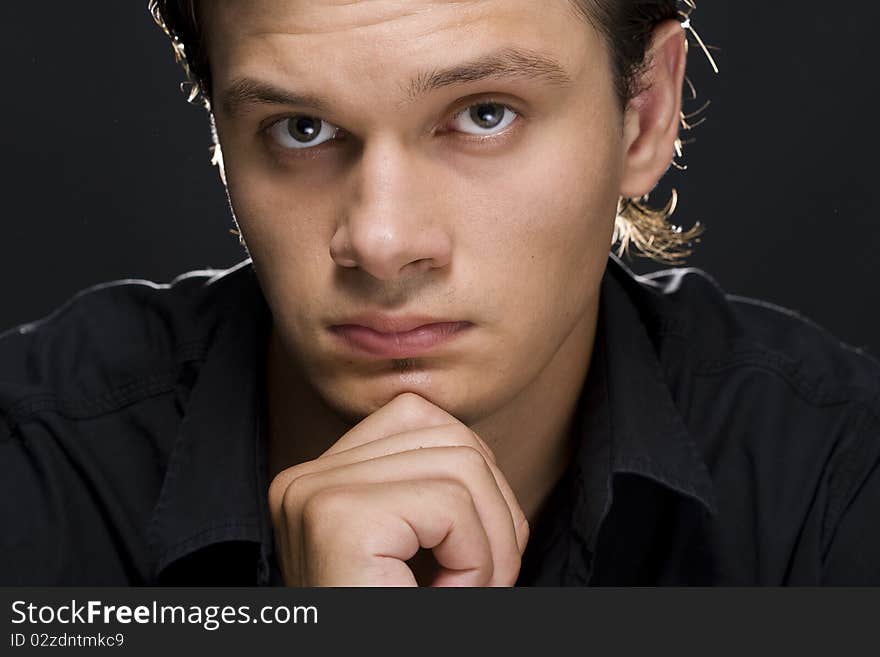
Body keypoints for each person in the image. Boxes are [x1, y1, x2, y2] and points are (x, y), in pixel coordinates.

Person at [1, 0, 878, 587]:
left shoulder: (833, 486)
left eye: (483, 113)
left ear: (644, 115)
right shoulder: (32, 479)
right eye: (300, 129)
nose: (380, 244)